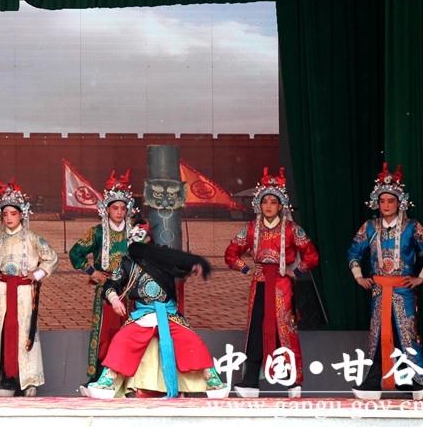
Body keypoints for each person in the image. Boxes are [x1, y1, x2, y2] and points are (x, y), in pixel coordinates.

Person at [84, 224, 228, 398]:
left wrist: (193, 265)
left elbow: (181, 265)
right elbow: (111, 284)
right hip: (143, 315)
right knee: (121, 341)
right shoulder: (127, 262)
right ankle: (107, 380)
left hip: (168, 315)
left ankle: (212, 379)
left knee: (192, 341)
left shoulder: (164, 258)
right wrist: (114, 299)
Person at [224, 168, 319, 398]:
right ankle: (250, 381)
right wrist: (246, 268)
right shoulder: (251, 228)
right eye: (265, 201)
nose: (268, 206)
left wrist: (296, 270)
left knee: (284, 329)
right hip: (258, 284)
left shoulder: (291, 229)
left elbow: (312, 255)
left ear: (281, 205)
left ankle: (293, 382)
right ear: (259, 204)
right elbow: (231, 253)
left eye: (273, 202)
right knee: (256, 330)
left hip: (281, 284)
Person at [346, 163, 423, 400]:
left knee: (407, 334)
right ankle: (373, 384)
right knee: (379, 337)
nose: (386, 205)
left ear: (400, 203)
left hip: (403, 290)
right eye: (382, 201)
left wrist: (420, 278)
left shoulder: (412, 227)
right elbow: (353, 252)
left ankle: (419, 384)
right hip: (378, 291)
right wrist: (359, 276)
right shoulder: (370, 227)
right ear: (377, 203)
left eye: (391, 201)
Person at [0, 179, 58, 397]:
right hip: (3, 290)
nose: (9, 218)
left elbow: (51, 258)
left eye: (13, 213)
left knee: (25, 330)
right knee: (3, 330)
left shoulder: (32, 238)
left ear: (21, 214)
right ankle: (4, 380)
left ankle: (28, 381)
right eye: (5, 214)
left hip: (23, 291)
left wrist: (36, 274)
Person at [69, 169, 134, 383]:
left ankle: (126, 377)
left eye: (123, 208)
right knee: (103, 333)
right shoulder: (98, 232)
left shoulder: (135, 232)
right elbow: (75, 253)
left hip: (129, 289)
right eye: (115, 208)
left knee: (128, 332)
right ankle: (98, 376)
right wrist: (92, 271)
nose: (119, 212)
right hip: (105, 288)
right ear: (107, 209)